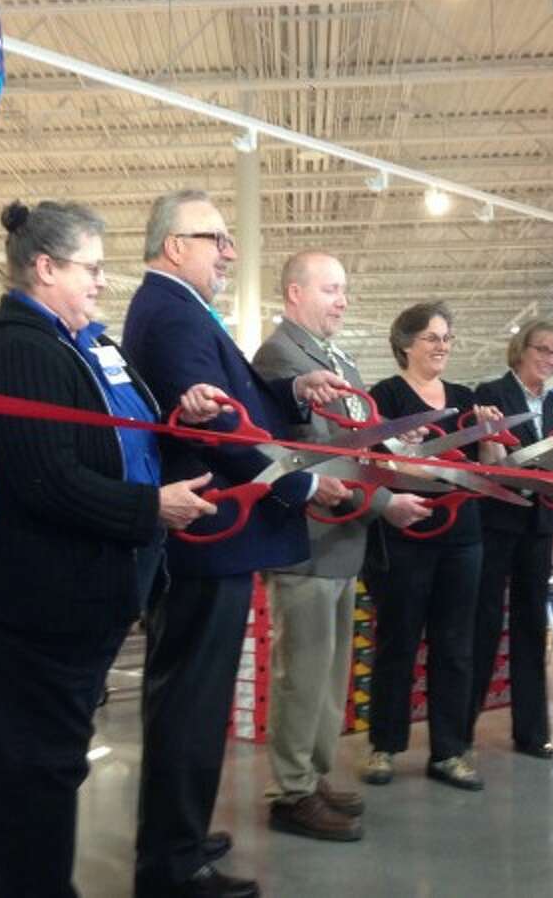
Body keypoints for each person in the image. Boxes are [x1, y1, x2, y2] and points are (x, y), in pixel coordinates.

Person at [0, 200, 225, 898]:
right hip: (34, 609)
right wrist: (151, 507)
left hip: (77, 605)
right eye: (91, 269)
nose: (102, 283)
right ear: (45, 268)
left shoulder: (84, 345)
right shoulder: (14, 350)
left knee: (46, 772)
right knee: (35, 777)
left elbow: (112, 440)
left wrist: (175, 417)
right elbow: (48, 479)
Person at [123, 191, 351, 898]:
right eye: (214, 237)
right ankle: (172, 865)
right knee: (189, 703)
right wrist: (301, 488)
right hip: (207, 534)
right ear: (173, 246)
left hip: (215, 536)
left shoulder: (182, 311)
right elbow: (217, 429)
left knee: (197, 700)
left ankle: (182, 837)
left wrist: (289, 388)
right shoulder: (166, 314)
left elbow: (233, 399)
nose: (228, 250)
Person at [251, 252, 434, 842]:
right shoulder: (279, 357)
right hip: (307, 539)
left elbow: (357, 444)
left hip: (341, 541)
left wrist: (397, 441)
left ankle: (313, 773)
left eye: (344, 290)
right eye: (331, 289)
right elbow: (315, 455)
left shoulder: (342, 360)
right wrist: (384, 503)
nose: (343, 300)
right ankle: (291, 791)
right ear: (294, 293)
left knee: (328, 674)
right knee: (302, 673)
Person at [361, 302, 501, 791]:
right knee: (397, 642)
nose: (442, 345)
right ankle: (385, 745)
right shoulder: (385, 396)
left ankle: (450, 749)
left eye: (447, 337)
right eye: (431, 337)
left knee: (455, 645)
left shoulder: (465, 398)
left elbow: (489, 471)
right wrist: (417, 464)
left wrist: (490, 434)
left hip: (462, 535)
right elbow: (377, 468)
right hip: (405, 535)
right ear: (404, 344)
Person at [466, 320, 553, 760]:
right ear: (521, 350)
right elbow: (483, 457)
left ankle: (531, 731)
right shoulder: (490, 393)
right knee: (483, 625)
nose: (548, 359)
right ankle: (460, 730)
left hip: (540, 524)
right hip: (496, 522)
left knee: (531, 627)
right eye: (541, 349)